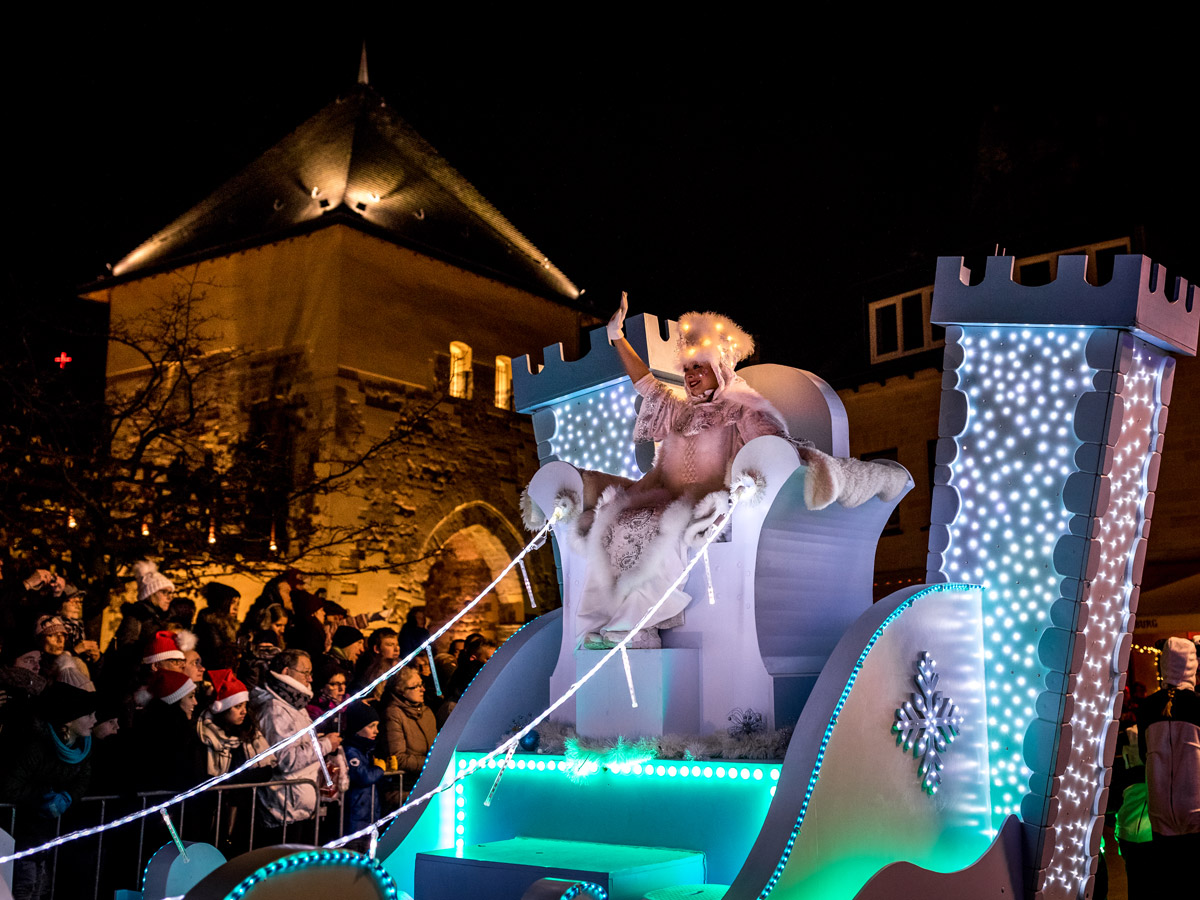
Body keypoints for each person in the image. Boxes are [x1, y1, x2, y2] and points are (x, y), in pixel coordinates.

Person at [568, 295, 788, 649]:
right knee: (610, 521)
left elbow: (774, 446)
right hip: (665, 495)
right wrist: (617, 338)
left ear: (718, 368)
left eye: (698, 367)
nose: (690, 376)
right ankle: (596, 623)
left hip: (709, 501)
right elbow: (647, 386)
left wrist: (751, 476)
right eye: (687, 370)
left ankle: (633, 626)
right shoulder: (680, 412)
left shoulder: (742, 408)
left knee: (663, 525)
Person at [0, 682, 96, 900]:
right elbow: (9, 787)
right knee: (25, 887)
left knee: (41, 887)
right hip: (22, 832)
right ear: (69, 720)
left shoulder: (83, 746)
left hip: (48, 833)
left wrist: (69, 796)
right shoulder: (35, 746)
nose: (94, 721)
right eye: (88, 715)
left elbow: (83, 778)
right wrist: (42, 797)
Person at [247, 649, 341, 833]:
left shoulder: (294, 704)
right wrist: (326, 744)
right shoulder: (275, 709)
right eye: (305, 672)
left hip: (298, 807)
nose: (310, 679)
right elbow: (285, 759)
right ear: (285, 672)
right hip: (283, 808)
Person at [1137, 636, 1200, 884]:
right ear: (1193, 666)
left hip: (1159, 810)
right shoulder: (1197, 705)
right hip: (1196, 810)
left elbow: (1143, 754)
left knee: (1168, 880)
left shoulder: (1147, 707)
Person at [378, 666, 437, 792]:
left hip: (428, 783)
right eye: (415, 686)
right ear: (401, 690)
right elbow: (397, 758)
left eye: (422, 684)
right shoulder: (393, 714)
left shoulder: (427, 713)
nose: (423, 689)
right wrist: (430, 763)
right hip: (403, 788)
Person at [341, 700, 386, 843]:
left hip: (368, 815)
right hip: (355, 817)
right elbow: (362, 776)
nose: (376, 731)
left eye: (377, 726)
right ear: (357, 727)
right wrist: (379, 769)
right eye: (371, 726)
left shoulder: (366, 751)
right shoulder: (351, 751)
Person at [194, 582, 241, 670]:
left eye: (238, 604)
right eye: (232, 603)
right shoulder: (209, 625)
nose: (236, 608)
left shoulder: (235, 627)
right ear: (221, 602)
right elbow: (217, 656)